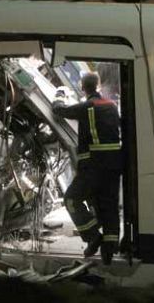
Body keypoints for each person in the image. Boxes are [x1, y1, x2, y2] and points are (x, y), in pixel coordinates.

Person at [52, 72, 123, 264]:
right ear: (98, 86)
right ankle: (110, 249)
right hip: (114, 165)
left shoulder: (86, 107)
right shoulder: (112, 106)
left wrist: (59, 93)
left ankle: (93, 236)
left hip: (93, 165)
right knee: (108, 205)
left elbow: (59, 110)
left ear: (83, 88)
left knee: (72, 199)